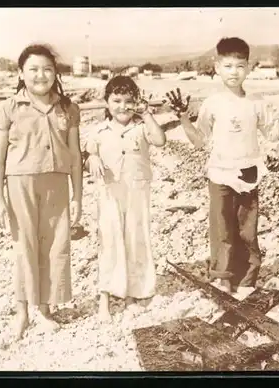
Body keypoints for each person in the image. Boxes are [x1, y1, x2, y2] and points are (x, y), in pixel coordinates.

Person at [165, 37, 279, 294]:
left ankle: (246, 281)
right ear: (217, 66)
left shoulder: (256, 102)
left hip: (249, 173)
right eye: (228, 66)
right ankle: (222, 277)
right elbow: (199, 141)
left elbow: (274, 134)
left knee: (247, 230)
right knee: (222, 228)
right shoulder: (212, 103)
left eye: (240, 66)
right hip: (220, 174)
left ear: (249, 67)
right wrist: (183, 117)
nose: (234, 72)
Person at [0, 44, 83, 340]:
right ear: (21, 73)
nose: (40, 75)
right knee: (25, 246)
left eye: (47, 69)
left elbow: (76, 155)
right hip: (20, 183)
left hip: (57, 182)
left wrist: (78, 195)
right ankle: (22, 313)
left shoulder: (69, 108)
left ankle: (45, 310)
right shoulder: (8, 108)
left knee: (55, 247)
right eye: (33, 69)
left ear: (55, 73)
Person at [83, 75, 166, 321]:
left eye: (128, 101)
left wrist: (148, 113)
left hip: (137, 192)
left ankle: (132, 294)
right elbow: (88, 154)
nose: (122, 106)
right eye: (116, 100)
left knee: (135, 239)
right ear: (106, 102)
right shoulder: (98, 130)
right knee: (109, 242)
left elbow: (160, 140)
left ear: (136, 102)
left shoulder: (141, 126)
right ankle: (105, 298)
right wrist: (93, 158)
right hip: (109, 193)